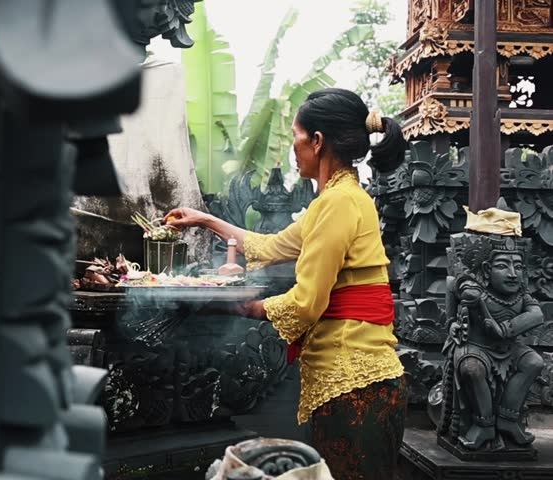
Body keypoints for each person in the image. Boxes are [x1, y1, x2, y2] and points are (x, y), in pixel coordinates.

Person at [166, 88, 408, 480]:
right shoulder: (336, 200)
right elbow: (271, 245)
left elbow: (306, 302)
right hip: (355, 382)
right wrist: (203, 219)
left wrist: (242, 307)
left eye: (296, 136)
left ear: (317, 141)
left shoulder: (338, 203)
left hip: (355, 382)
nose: (293, 149)